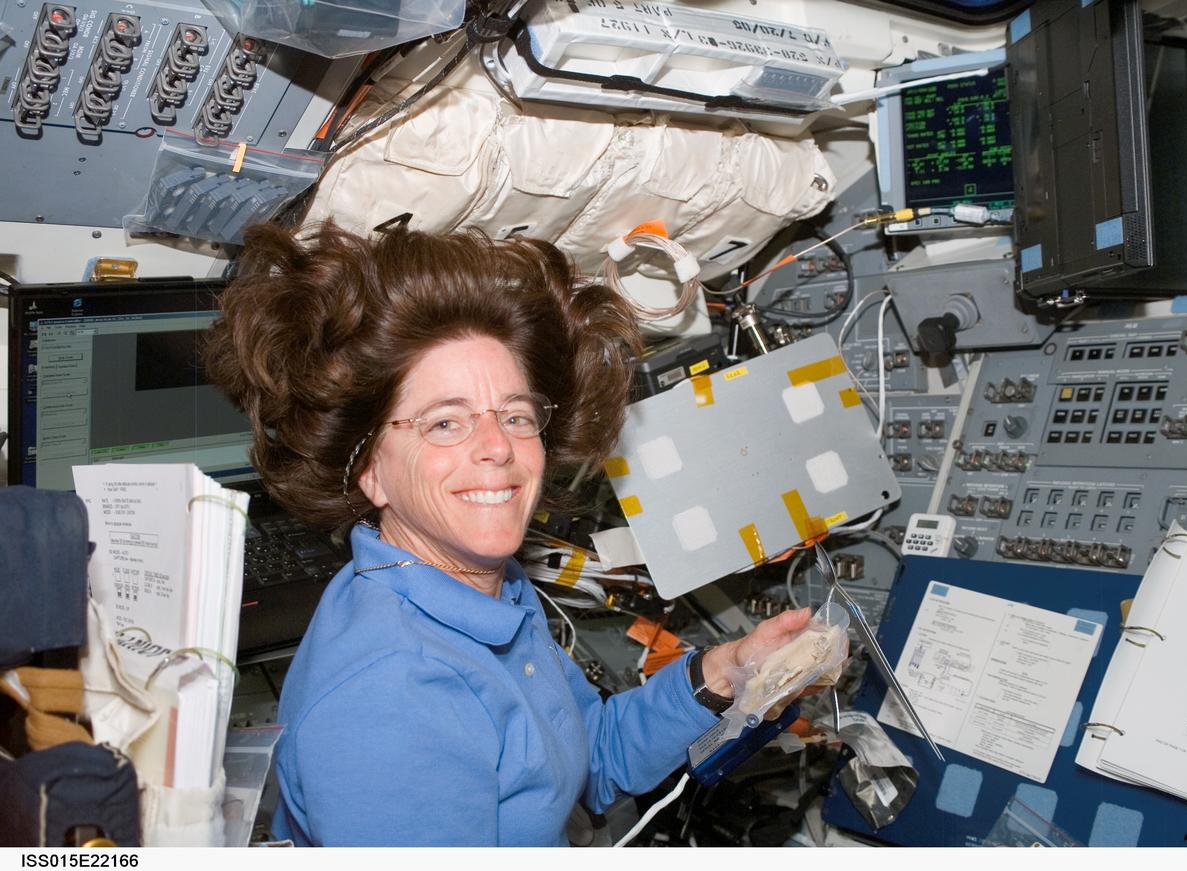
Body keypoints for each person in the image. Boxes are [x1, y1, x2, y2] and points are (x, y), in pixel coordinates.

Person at [204, 221, 816, 846]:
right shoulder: (391, 696)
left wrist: (728, 672)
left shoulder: (485, 591)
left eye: (517, 415)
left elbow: (587, 759)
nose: (499, 446)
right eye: (446, 422)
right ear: (369, 471)